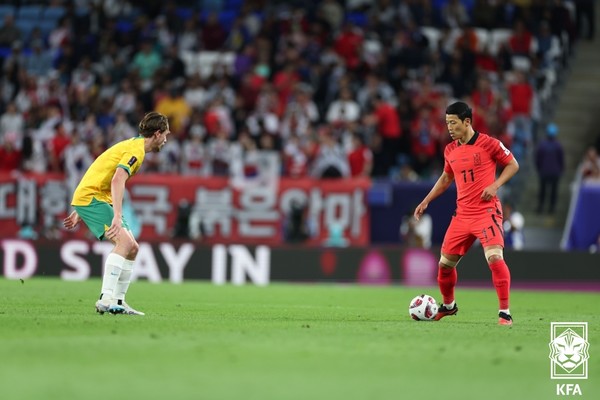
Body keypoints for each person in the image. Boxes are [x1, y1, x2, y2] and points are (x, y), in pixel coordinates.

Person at [414, 101, 519, 326]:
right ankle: (449, 306)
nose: (449, 128)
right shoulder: (450, 149)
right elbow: (445, 179)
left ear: (467, 122)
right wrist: (426, 201)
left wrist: (495, 185)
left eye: (453, 123)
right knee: (444, 266)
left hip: (486, 211)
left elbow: (513, 165)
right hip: (462, 215)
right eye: (447, 123)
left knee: (494, 258)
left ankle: (505, 313)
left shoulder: (489, 144)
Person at [63, 112, 171, 315]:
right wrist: (117, 215)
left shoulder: (134, 146)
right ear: (157, 134)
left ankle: (119, 301)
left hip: (95, 197)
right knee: (125, 244)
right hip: (93, 197)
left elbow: (101, 168)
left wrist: (79, 209)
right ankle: (106, 298)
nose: (166, 139)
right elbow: (117, 179)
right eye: (165, 134)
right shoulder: (136, 151)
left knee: (133, 248)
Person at [534, 123, 564, 214]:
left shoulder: (542, 145)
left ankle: (541, 207)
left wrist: (539, 168)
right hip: (555, 172)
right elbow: (561, 160)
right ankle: (552, 208)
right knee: (553, 191)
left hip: (544, 172)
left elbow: (538, 159)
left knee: (542, 190)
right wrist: (561, 169)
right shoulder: (558, 145)